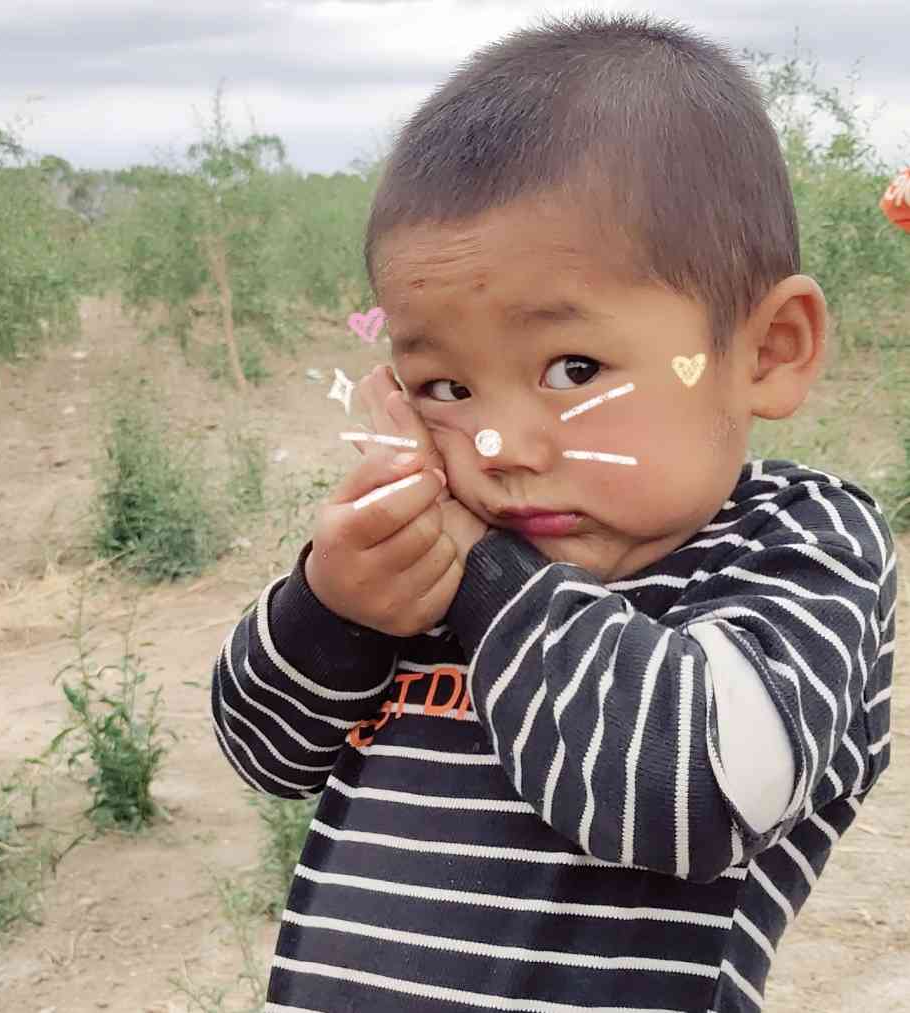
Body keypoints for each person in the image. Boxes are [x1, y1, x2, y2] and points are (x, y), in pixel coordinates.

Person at [211, 13, 896, 1012]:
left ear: (766, 350)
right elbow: (264, 752)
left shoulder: (793, 547)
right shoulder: (427, 555)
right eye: (442, 385)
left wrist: (482, 572)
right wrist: (334, 604)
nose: (497, 447)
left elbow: (691, 794)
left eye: (571, 369)